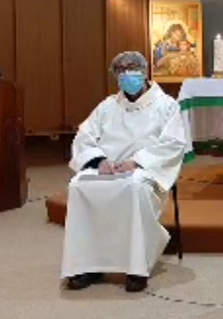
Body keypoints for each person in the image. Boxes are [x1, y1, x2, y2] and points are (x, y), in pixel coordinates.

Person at [61, 51, 188, 293]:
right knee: (79, 186)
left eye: (131, 68)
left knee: (134, 186)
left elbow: (173, 144)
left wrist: (137, 162)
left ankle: (136, 268)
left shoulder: (166, 105)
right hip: (108, 168)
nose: (126, 74)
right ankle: (87, 265)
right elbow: (84, 137)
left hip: (145, 170)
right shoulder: (107, 106)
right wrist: (99, 161)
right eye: (120, 70)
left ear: (144, 71)